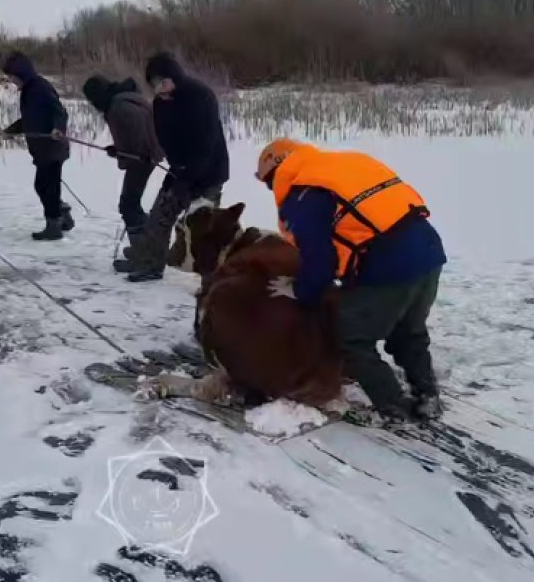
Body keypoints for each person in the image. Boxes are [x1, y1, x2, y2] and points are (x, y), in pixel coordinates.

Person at [256, 138, 447, 423]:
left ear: (276, 170)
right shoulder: (345, 163)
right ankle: (427, 394)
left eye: (268, 182)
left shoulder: (303, 194)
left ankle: (394, 407)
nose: (271, 188)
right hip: (429, 252)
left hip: (389, 265)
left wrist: (299, 291)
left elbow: (321, 262)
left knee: (352, 337)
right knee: (408, 330)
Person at [120, 51, 229, 282]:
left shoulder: (201, 96)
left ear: (174, 77)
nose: (159, 87)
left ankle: (212, 278)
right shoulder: (160, 104)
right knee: (160, 215)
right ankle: (150, 264)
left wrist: (188, 179)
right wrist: (176, 172)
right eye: (154, 83)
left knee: (203, 227)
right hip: (179, 171)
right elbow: (166, 138)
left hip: (208, 173)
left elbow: (206, 143)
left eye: (163, 81)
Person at [81, 74, 165, 251]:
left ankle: (144, 251)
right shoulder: (127, 98)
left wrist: (135, 153)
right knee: (131, 203)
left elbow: (139, 132)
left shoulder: (119, 107)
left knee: (128, 205)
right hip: (145, 156)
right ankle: (148, 245)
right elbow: (136, 133)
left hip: (142, 159)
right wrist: (119, 149)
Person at [1, 51, 72, 241]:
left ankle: (54, 225)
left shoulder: (40, 87)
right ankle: (61, 213)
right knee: (44, 185)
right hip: (43, 149)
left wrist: (58, 129)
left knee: (46, 186)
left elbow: (60, 111)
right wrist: (11, 131)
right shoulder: (29, 91)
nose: (12, 81)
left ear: (22, 73)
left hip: (52, 147)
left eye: (13, 76)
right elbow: (30, 120)